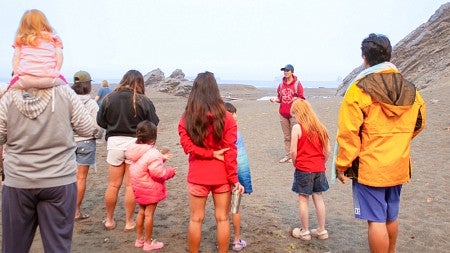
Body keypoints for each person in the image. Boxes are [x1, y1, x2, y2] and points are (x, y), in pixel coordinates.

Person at [335, 33, 426, 253]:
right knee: (390, 215)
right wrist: (400, 141)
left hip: (371, 166)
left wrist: (342, 165)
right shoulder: (410, 88)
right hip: (398, 164)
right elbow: (420, 121)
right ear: (389, 54)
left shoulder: (359, 89)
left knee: (375, 220)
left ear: (364, 57)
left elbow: (348, 133)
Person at [0, 80, 97, 252]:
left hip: (18, 181)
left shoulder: (8, 97)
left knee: (14, 247)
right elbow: (88, 129)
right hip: (58, 179)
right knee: (58, 247)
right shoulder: (65, 93)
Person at [178, 72, 244, 253]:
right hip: (222, 175)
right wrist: (234, 179)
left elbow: (187, 146)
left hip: (198, 174)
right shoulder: (228, 118)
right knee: (222, 218)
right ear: (216, 91)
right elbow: (230, 152)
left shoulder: (187, 117)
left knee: (195, 219)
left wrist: (208, 154)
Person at [97, 69, 160, 232]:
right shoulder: (143, 100)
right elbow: (153, 123)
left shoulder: (109, 98)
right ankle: (129, 221)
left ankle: (109, 220)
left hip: (115, 142)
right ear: (140, 82)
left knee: (113, 185)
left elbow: (101, 121)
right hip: (136, 143)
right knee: (130, 186)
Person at [125, 120, 176, 251]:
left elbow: (144, 162)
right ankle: (148, 242)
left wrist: (161, 158)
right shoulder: (152, 153)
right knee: (149, 214)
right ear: (154, 136)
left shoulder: (134, 149)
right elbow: (158, 172)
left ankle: (139, 239)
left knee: (141, 212)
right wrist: (170, 171)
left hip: (139, 186)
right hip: (150, 188)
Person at [289, 99, 330, 241]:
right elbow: (328, 150)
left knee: (303, 199)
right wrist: (321, 162)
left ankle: (305, 231)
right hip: (319, 168)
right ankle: (322, 230)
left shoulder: (297, 128)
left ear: (298, 113)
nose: (294, 118)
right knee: (318, 197)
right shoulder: (321, 127)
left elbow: (293, 151)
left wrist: (296, 163)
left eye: (294, 115)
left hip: (304, 168)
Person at [71, 70, 104, 221]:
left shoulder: (67, 101)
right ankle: (76, 211)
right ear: (88, 85)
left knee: (66, 177)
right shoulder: (91, 104)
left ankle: (64, 209)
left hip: (67, 143)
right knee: (81, 178)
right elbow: (98, 126)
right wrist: (96, 137)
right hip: (86, 142)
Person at [9, 9, 67, 90]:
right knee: (66, 86)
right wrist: (56, 71)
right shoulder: (54, 38)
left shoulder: (20, 39)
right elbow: (60, 56)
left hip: (25, 79)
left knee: (9, 89)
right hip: (49, 79)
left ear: (23, 25)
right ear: (44, 23)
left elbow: (16, 58)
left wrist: (16, 74)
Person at [224, 102, 253, 252]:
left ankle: (223, 241)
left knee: (222, 212)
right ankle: (236, 241)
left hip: (222, 177)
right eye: (232, 112)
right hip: (234, 177)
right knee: (234, 209)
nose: (235, 115)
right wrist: (242, 181)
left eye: (235, 112)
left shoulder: (217, 133)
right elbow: (240, 160)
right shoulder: (236, 134)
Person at [270, 64, 305, 163]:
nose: (285, 72)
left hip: (294, 113)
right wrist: (274, 100)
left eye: (287, 70)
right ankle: (288, 155)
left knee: (295, 135)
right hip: (283, 113)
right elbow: (280, 99)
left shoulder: (297, 84)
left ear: (292, 72)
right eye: (284, 70)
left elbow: (302, 98)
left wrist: (296, 98)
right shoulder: (281, 85)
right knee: (287, 136)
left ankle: (295, 155)